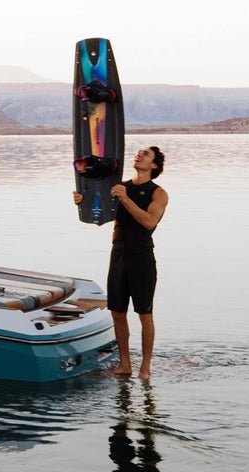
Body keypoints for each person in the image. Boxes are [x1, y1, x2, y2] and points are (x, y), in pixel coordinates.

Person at [73, 146, 169, 380]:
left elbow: (148, 222)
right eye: (138, 153)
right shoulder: (119, 186)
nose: (139, 155)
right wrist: (82, 203)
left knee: (144, 313)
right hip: (118, 255)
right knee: (117, 312)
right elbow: (100, 216)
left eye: (146, 155)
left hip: (142, 256)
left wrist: (125, 199)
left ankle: (145, 368)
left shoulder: (158, 193)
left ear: (154, 166)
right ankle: (125, 364)